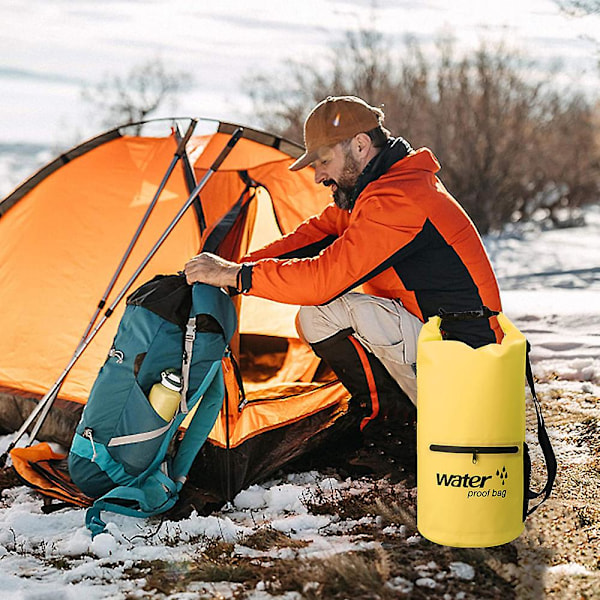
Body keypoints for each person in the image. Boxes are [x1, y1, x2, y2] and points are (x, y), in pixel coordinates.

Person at [184, 95, 502, 430]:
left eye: (323, 161)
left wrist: (237, 276)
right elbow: (313, 236)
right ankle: (392, 419)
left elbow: (323, 280)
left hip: (464, 355)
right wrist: (231, 266)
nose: (318, 176)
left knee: (325, 311)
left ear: (361, 145)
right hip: (436, 337)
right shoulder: (375, 191)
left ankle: (401, 429)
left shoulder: (399, 199)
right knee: (317, 318)